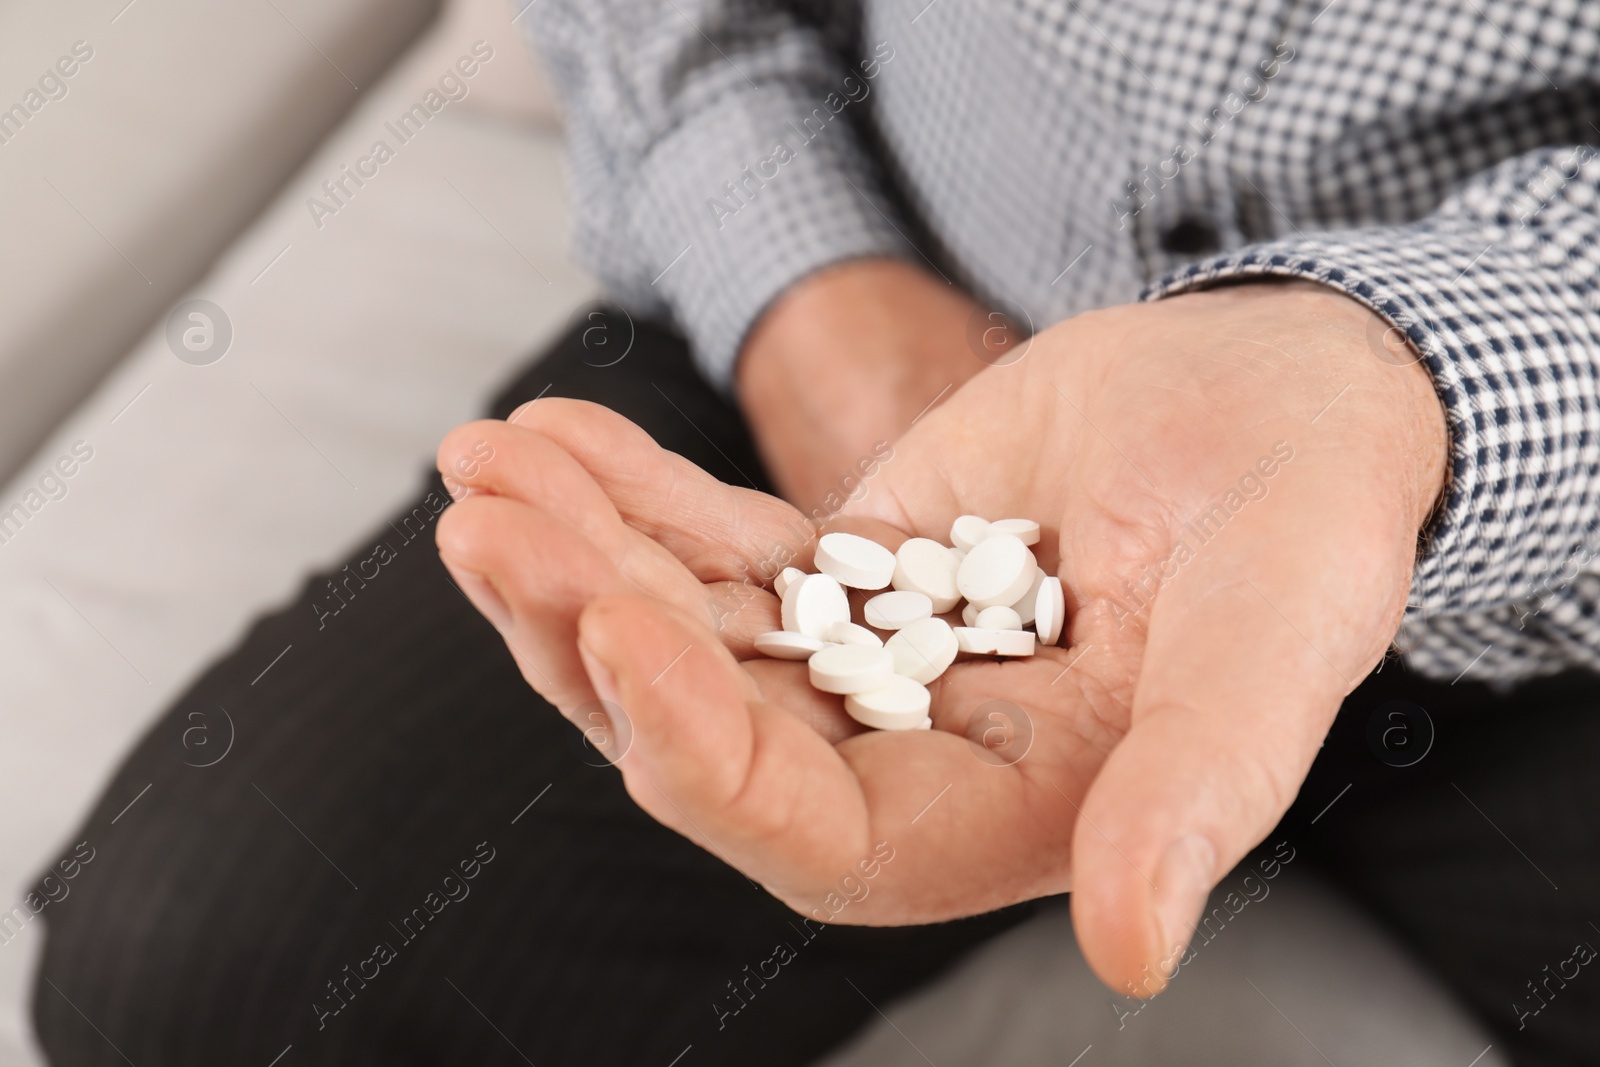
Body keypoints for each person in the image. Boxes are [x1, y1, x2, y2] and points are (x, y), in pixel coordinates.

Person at [33, 2, 1600, 1065]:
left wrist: (1385, 388)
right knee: (202, 975)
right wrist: (800, 284)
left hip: (1551, 486)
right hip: (874, 328)